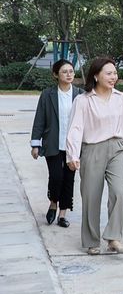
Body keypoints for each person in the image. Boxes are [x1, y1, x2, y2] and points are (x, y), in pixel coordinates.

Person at [66, 57, 123, 255]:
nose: (114, 77)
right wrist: (72, 155)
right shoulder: (83, 100)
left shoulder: (120, 98)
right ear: (96, 76)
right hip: (92, 149)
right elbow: (76, 128)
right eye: (109, 73)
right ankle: (91, 241)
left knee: (119, 193)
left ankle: (114, 237)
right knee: (91, 196)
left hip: (118, 148)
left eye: (115, 73)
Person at [30, 59, 84, 228]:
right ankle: (53, 201)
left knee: (69, 178)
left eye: (71, 71)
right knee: (56, 176)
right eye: (64, 72)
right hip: (53, 142)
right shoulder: (47, 94)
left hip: (73, 146)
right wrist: (35, 144)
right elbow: (39, 119)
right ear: (55, 74)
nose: (69, 74)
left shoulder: (80, 95)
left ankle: (62, 214)